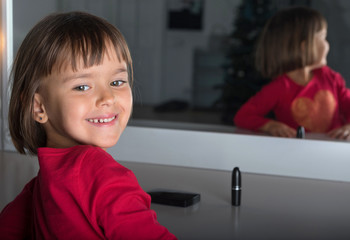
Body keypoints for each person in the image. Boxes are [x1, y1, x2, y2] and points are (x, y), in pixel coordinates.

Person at [0, 12, 177, 239]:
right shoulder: (101, 175)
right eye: (82, 87)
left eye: (117, 82)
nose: (108, 98)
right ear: (38, 107)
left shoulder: (43, 182)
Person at [234, 6, 350, 139]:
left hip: (334, 150)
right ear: (304, 47)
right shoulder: (279, 88)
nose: (327, 44)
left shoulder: (331, 78)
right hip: (297, 154)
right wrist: (270, 125)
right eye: (323, 37)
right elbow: (243, 116)